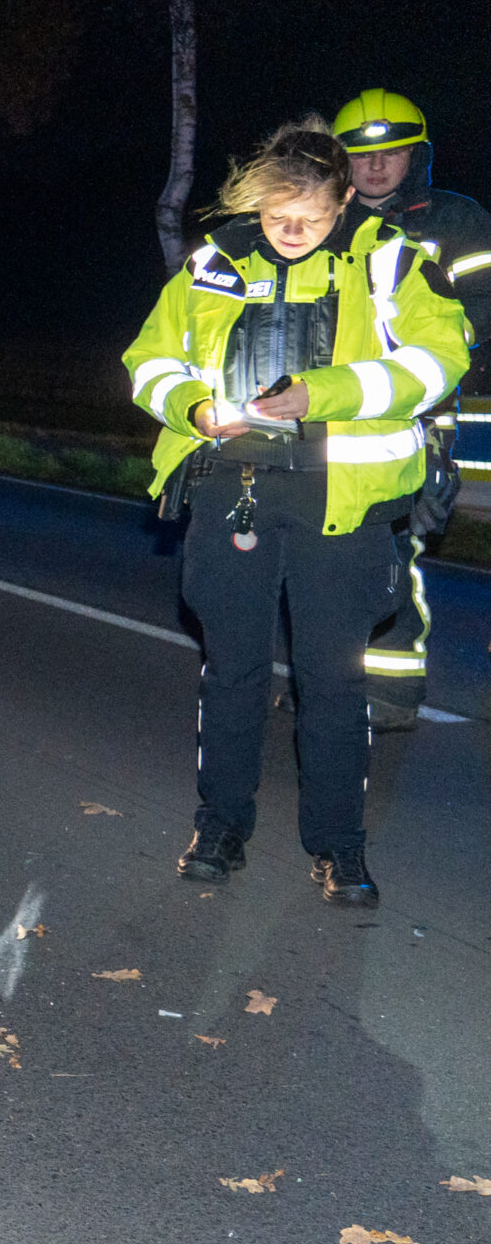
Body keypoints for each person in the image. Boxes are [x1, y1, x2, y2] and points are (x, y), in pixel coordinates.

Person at [125, 117, 470, 906]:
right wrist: (191, 407)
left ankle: (339, 849)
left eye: (309, 221)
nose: (290, 233)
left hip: (338, 506)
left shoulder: (391, 262)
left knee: (333, 683)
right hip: (231, 491)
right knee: (232, 673)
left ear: (343, 201)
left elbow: (438, 360)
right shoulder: (216, 264)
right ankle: (219, 827)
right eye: (277, 217)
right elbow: (150, 357)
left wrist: (329, 392)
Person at [332, 90, 491, 726]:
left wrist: (435, 410)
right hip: (335, 413)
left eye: (391, 154)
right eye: (361, 155)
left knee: (396, 540)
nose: (375, 167)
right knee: (331, 555)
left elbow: (482, 317)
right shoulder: (320, 219)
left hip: (423, 413)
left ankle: (390, 691)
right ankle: (335, 680)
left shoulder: (455, 220)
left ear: (416, 157)